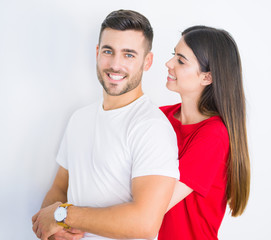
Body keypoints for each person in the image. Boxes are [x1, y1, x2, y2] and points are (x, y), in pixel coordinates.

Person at [31, 9, 179, 240]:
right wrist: (53, 231)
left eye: (129, 55)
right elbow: (60, 187)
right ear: (98, 53)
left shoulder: (152, 128)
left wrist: (63, 215)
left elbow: (145, 223)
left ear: (147, 61)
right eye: (109, 51)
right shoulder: (79, 118)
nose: (115, 65)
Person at [157, 26, 251, 239]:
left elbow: (153, 206)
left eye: (181, 60)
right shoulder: (159, 118)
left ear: (207, 77)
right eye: (174, 55)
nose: (169, 64)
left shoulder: (214, 135)